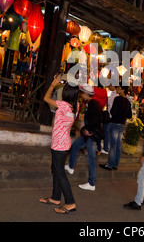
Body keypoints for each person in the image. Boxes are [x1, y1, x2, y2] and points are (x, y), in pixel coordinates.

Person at [40, 75, 79, 214]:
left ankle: (70, 202)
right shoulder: (76, 106)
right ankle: (55, 197)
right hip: (63, 142)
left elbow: (46, 98)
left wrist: (53, 85)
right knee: (56, 170)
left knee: (60, 173)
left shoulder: (63, 105)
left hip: (59, 144)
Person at [65, 85, 103, 191]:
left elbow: (95, 120)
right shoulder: (91, 103)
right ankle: (71, 167)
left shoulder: (92, 104)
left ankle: (91, 183)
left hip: (91, 135)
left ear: (86, 94)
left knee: (91, 158)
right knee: (76, 146)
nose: (81, 95)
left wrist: (88, 130)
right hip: (90, 134)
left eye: (82, 93)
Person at [99, 85, 132, 171]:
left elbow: (113, 112)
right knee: (118, 146)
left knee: (113, 146)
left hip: (114, 123)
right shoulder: (128, 102)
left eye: (118, 88)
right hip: (122, 124)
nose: (117, 89)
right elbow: (129, 115)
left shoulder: (117, 99)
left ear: (122, 90)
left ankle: (109, 164)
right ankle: (115, 164)